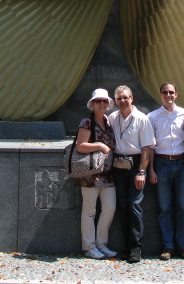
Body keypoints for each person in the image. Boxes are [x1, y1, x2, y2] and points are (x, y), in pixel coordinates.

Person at [109, 85, 155, 263]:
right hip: (117, 166)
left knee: (134, 205)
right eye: (119, 98)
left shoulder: (142, 119)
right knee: (122, 206)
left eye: (125, 97)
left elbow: (147, 147)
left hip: (136, 165)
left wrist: (142, 171)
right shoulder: (112, 118)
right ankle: (127, 246)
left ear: (132, 98)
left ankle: (136, 246)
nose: (123, 101)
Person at [148, 82, 184, 261]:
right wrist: (150, 169)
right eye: (165, 92)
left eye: (171, 92)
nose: (168, 95)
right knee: (164, 207)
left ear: (177, 94)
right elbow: (150, 145)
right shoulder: (152, 117)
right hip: (162, 163)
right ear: (160, 95)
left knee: (183, 206)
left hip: (182, 164)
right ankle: (167, 246)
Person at [75, 88, 117, 259]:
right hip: (90, 174)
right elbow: (80, 145)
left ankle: (102, 243)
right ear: (92, 104)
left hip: (108, 174)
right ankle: (89, 246)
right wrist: (99, 145)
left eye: (104, 101)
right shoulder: (87, 122)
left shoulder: (109, 121)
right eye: (98, 101)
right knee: (89, 210)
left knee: (109, 208)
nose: (102, 104)